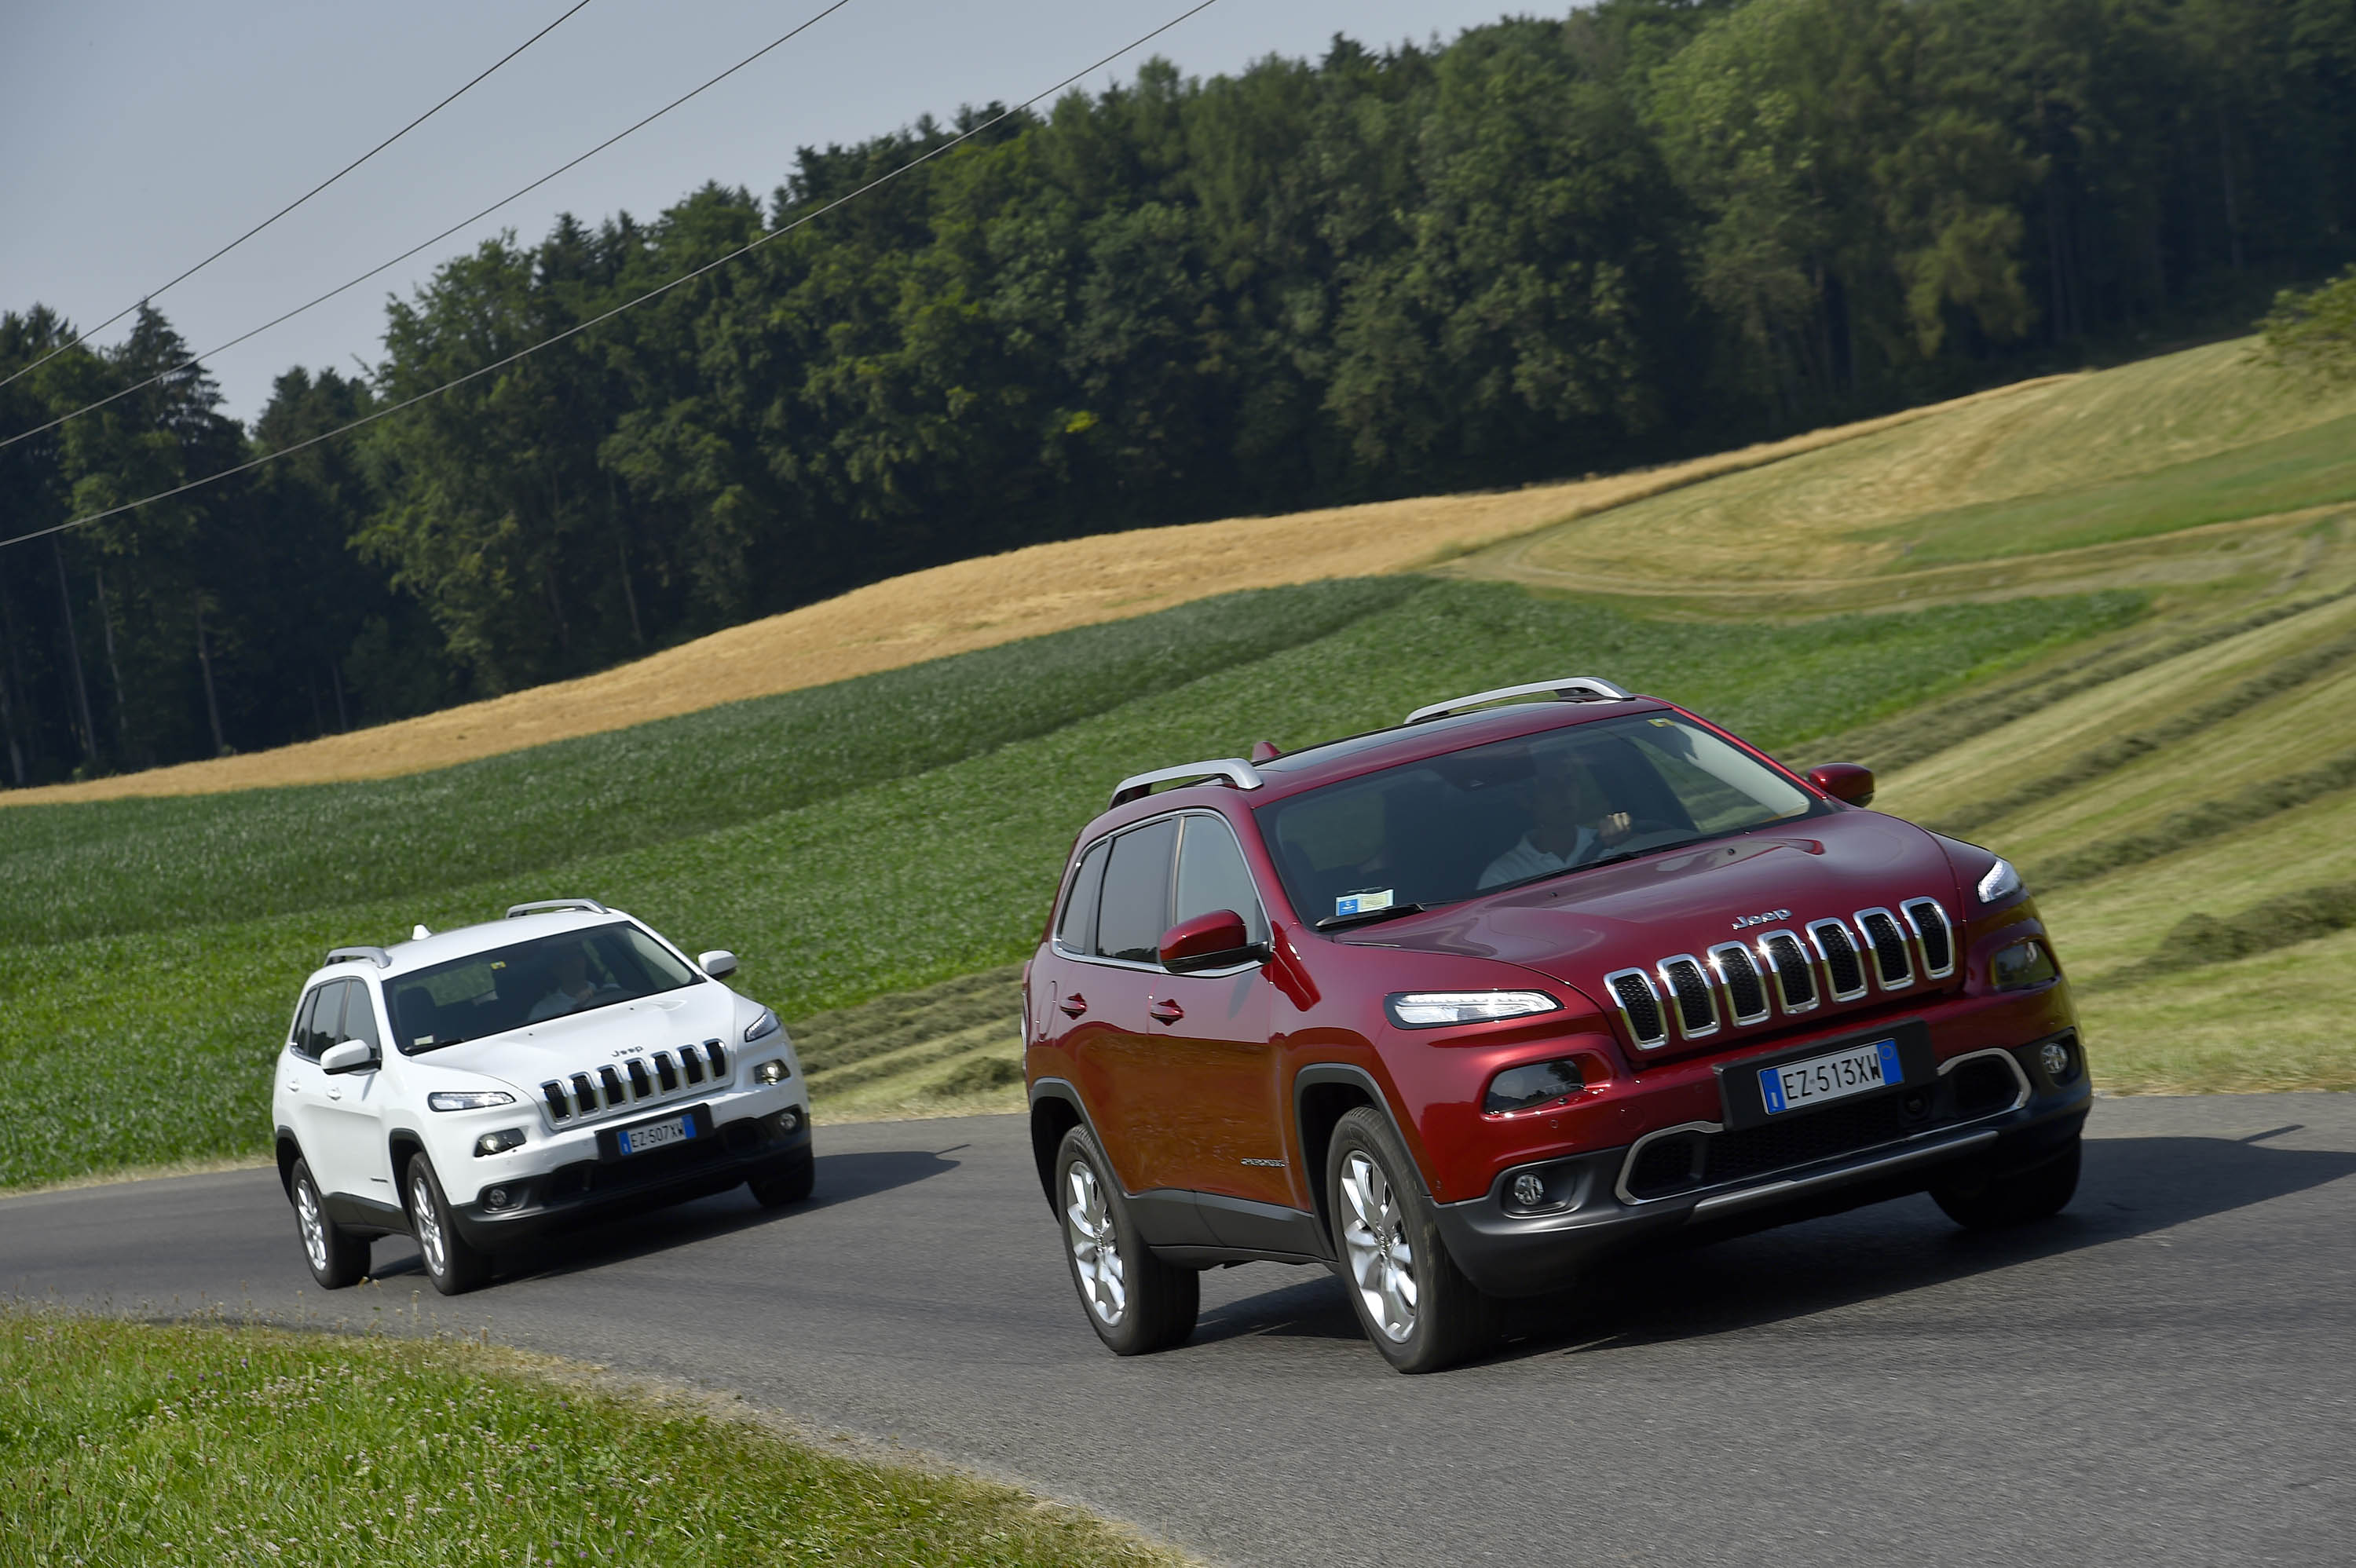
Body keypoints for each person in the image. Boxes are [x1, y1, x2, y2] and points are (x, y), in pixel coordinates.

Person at [1480, 751, 1632, 888]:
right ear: (1525, 799)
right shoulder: (1503, 875)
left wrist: (1628, 839)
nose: (1565, 793)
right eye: (1550, 785)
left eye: (1569, 781)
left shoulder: (1615, 843)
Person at [525, 941, 608, 1022]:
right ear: (554, 969)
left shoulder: (611, 991)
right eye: (564, 959)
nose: (573, 963)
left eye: (576, 956)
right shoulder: (543, 1010)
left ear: (584, 960)